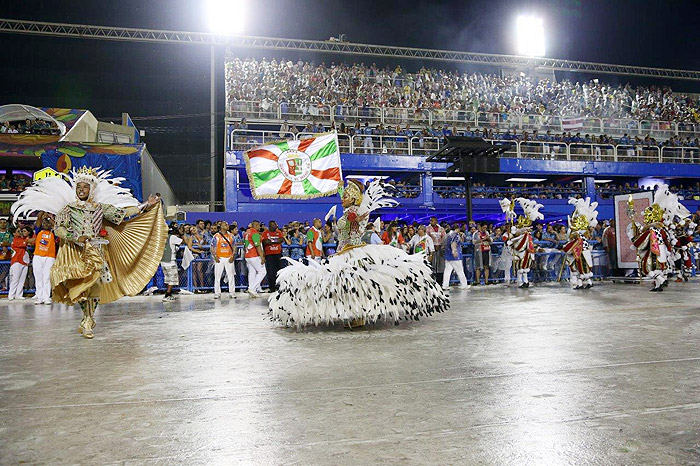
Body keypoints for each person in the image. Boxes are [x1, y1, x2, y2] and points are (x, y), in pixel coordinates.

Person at [269, 179, 448, 329]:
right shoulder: (349, 210)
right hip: (343, 251)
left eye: (346, 196)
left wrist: (357, 212)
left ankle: (359, 316)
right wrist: (340, 188)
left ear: (353, 198)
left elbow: (356, 216)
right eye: (343, 196)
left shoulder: (354, 212)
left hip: (354, 251)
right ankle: (354, 314)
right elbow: (348, 207)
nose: (342, 199)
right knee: (346, 285)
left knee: (357, 284)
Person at [11, 167, 166, 339]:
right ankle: (87, 317)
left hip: (98, 251)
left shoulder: (100, 207)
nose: (81, 190)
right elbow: (59, 229)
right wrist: (75, 237)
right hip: (75, 251)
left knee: (95, 286)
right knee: (80, 286)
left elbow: (121, 214)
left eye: (85, 187)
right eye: (79, 187)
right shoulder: (68, 209)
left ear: (91, 189)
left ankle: (88, 319)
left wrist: (146, 205)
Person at [563, 198, 598, 290]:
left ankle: (586, 283)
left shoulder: (580, 236)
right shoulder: (577, 233)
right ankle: (582, 283)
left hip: (581, 252)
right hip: (578, 252)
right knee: (579, 268)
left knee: (582, 268)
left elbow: (576, 239)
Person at [32, 214, 58, 304]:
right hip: (38, 256)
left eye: (47, 223)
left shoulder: (54, 233)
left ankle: (46, 297)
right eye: (44, 223)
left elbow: (56, 226)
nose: (46, 224)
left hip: (49, 257)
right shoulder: (38, 231)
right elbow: (39, 217)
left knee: (47, 278)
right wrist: (43, 210)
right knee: (38, 277)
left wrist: (50, 218)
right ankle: (39, 297)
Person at [211, 221, 237, 299]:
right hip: (220, 258)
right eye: (225, 225)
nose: (227, 225)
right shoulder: (216, 236)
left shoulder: (231, 236)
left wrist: (233, 256)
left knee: (231, 276)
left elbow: (234, 246)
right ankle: (217, 293)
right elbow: (212, 247)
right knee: (217, 276)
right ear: (221, 227)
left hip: (229, 258)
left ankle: (232, 292)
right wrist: (215, 256)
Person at [8, 226, 34, 300]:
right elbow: (27, 242)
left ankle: (18, 294)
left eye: (21, 231)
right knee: (15, 279)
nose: (21, 232)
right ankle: (11, 294)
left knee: (22, 279)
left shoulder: (22, 239)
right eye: (18, 231)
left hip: (24, 262)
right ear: (14, 233)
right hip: (17, 262)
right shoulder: (15, 240)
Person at [442, 224, 469, 290]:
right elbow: (453, 243)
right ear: (458, 229)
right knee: (460, 271)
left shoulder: (447, 235)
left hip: (447, 256)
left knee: (447, 271)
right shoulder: (455, 235)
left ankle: (445, 286)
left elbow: (443, 244)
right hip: (455, 257)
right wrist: (454, 251)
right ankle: (464, 285)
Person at [161, 224, 183, 302]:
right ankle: (167, 295)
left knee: (168, 279)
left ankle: (169, 294)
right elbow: (181, 241)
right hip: (170, 262)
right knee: (172, 280)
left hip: (163, 262)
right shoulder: (172, 237)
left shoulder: (162, 238)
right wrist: (181, 234)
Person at [244, 220, 266, 297]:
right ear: (256, 225)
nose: (259, 227)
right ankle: (252, 288)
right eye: (259, 225)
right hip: (254, 255)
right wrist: (262, 257)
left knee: (252, 273)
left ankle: (251, 291)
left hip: (247, 255)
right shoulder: (255, 233)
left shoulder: (247, 232)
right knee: (262, 272)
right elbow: (257, 246)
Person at [262, 220, 284, 292]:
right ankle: (272, 287)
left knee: (280, 271)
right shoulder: (265, 233)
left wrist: (271, 241)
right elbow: (265, 241)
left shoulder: (279, 232)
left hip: (278, 254)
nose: (276, 225)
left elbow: (281, 240)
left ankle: (280, 286)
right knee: (271, 272)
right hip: (269, 255)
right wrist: (275, 240)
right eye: (274, 224)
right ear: (270, 226)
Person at [427, 217, 446, 283]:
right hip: (432, 249)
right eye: (430, 221)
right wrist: (432, 246)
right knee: (432, 264)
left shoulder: (441, 229)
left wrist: (441, 245)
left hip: (440, 249)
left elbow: (444, 237)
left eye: (432, 220)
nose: (431, 222)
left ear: (436, 221)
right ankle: (432, 279)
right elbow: (427, 238)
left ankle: (440, 280)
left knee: (440, 264)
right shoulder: (428, 229)